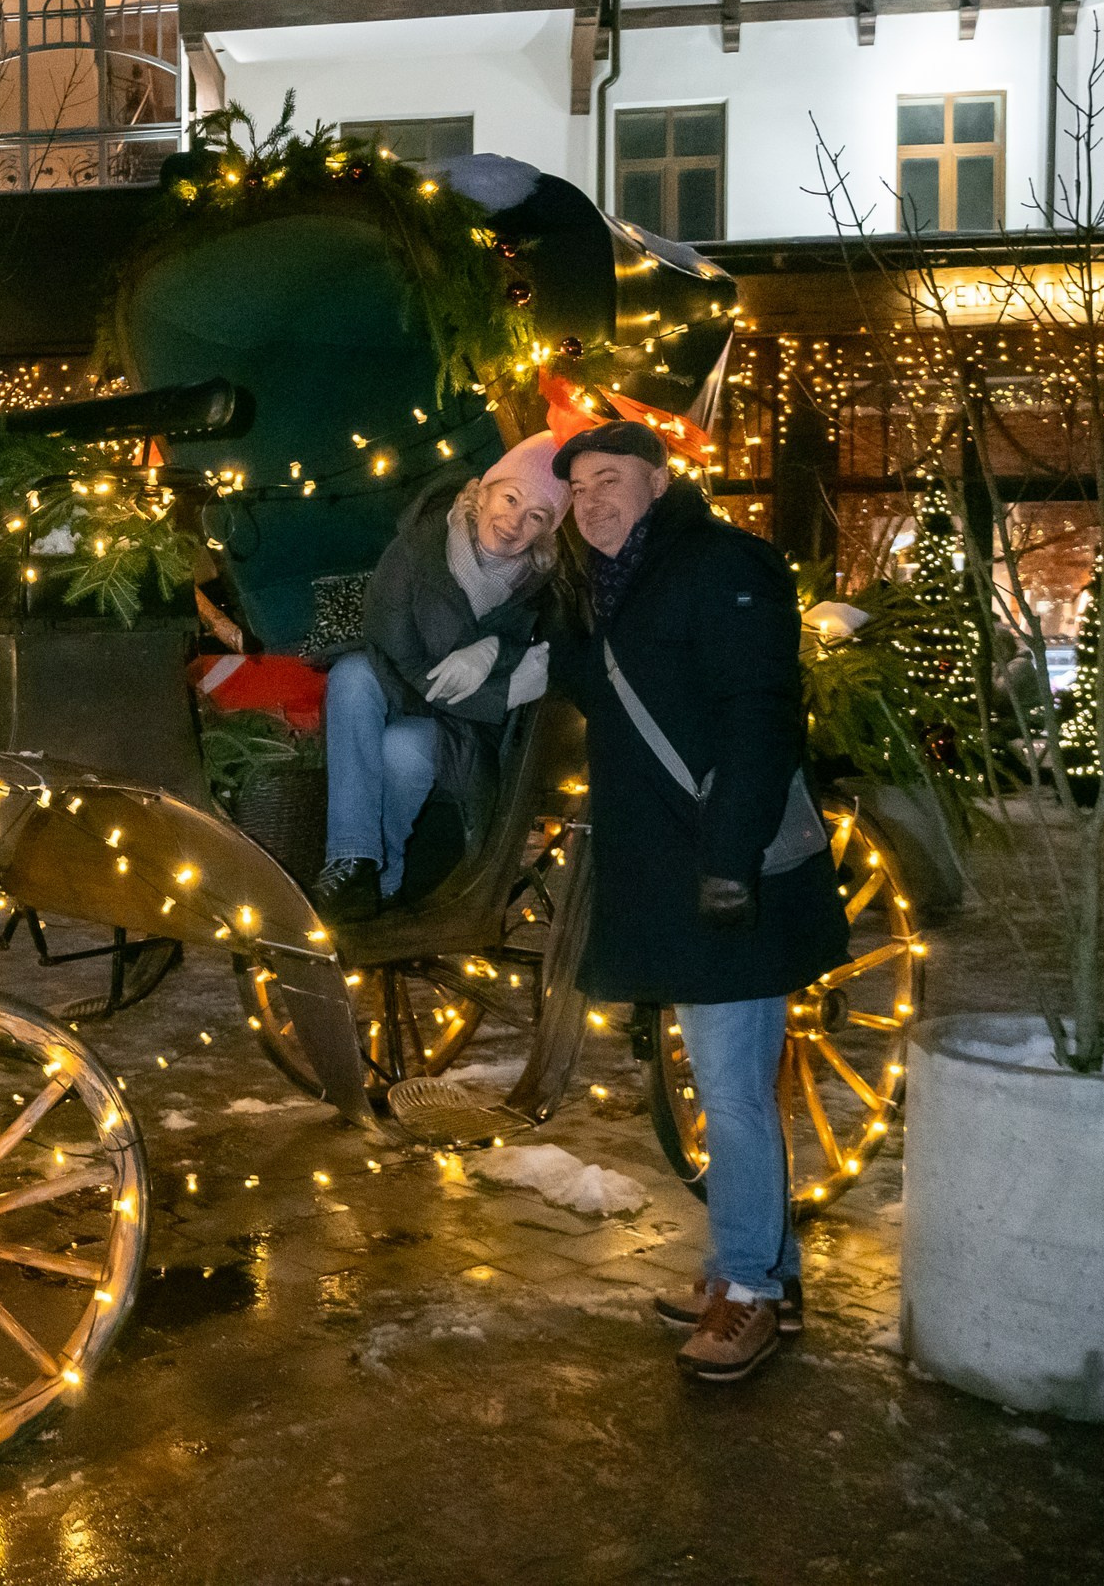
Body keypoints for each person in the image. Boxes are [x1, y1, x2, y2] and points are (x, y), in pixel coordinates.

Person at [547, 419, 849, 1383]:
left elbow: (760, 712)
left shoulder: (723, 561)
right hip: (674, 877)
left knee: (730, 1089)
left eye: (610, 480)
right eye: (579, 490)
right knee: (727, 1083)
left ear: (658, 477)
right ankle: (754, 1268)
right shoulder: (612, 586)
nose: (593, 502)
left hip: (726, 875)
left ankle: (750, 1290)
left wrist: (730, 860)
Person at [311, 437, 565, 923]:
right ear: (481, 493)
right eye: (511, 498)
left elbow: (547, 651)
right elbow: (392, 655)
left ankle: (380, 878)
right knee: (353, 673)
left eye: (536, 516)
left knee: (404, 747)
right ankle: (353, 859)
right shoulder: (414, 551)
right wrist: (501, 688)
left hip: (464, 737)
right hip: (404, 690)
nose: (515, 522)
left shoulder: (539, 585)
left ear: (546, 531)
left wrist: (493, 648)